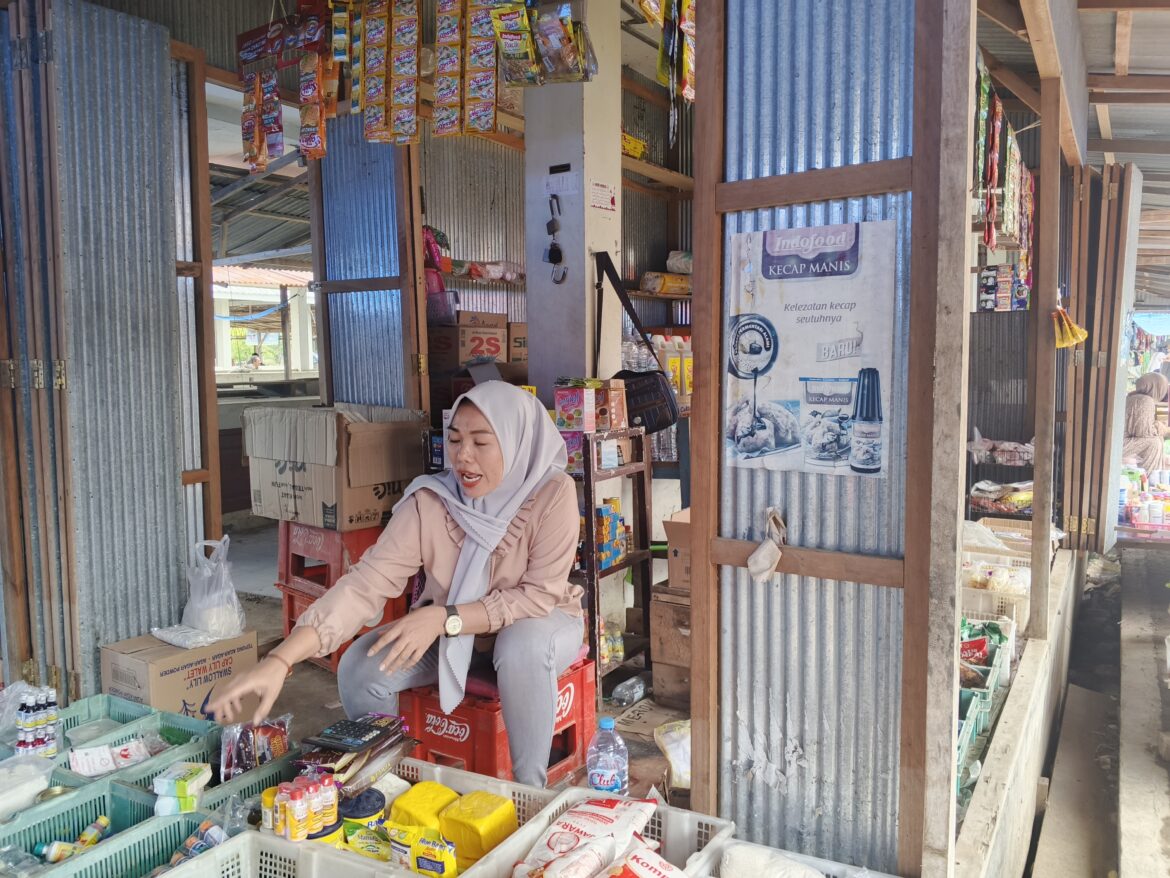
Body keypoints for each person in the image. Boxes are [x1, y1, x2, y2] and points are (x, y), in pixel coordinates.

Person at [207, 381, 584, 787]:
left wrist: (445, 619)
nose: (463, 456)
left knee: (520, 645)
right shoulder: (432, 500)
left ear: (515, 440)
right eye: (454, 440)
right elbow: (367, 582)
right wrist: (280, 660)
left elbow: (536, 596)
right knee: (360, 668)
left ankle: (530, 794)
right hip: (452, 632)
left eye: (481, 442)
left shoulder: (552, 491)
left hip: (540, 621)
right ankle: (393, 784)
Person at [1122, 372, 1170, 474]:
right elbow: (1144, 432)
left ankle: (1153, 477)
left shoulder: (1139, 398)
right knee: (1154, 443)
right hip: (1122, 444)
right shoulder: (1145, 401)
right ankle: (1147, 480)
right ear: (1157, 387)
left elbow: (1158, 431)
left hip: (1125, 442)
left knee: (1157, 441)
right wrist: (1162, 428)